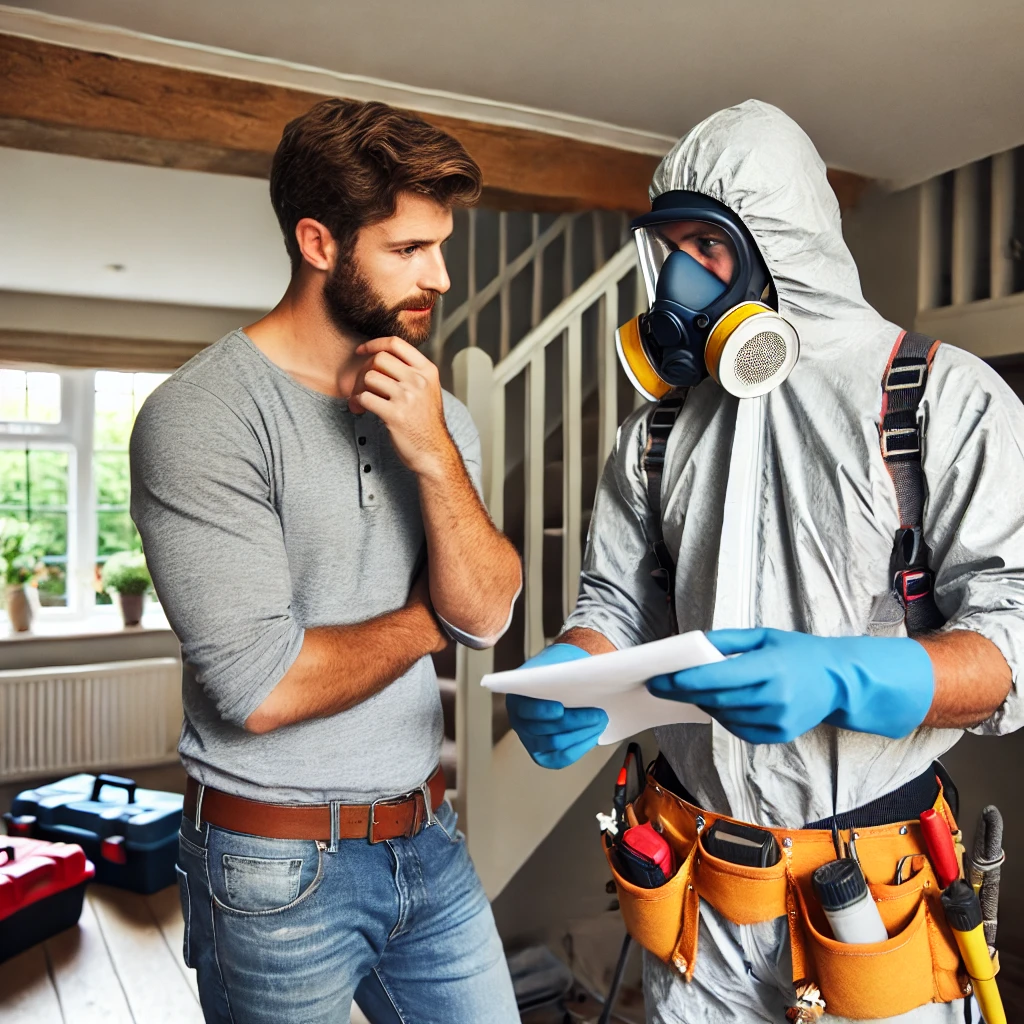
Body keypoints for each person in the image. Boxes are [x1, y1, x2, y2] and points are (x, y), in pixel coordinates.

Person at [507, 100, 1024, 1022]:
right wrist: (576, 669)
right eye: (668, 246)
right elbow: (613, 604)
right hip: (697, 914)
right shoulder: (656, 434)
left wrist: (846, 676)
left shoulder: (940, 401)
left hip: (873, 908)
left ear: (782, 244)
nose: (680, 277)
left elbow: (1015, 646)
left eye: (709, 245)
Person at [131, 98, 522, 1024]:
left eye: (440, 244)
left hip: (429, 838)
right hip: (271, 866)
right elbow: (260, 688)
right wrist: (434, 619)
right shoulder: (203, 417)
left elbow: (495, 610)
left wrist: (431, 451)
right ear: (318, 241)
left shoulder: (435, 410)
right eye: (408, 249)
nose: (441, 273)